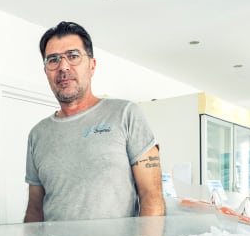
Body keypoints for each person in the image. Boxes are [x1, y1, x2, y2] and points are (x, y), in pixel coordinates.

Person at [23, 21, 165, 223]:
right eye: (53, 60)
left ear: (92, 65)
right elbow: (34, 212)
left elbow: (152, 198)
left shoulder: (125, 114)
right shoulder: (38, 134)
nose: (63, 66)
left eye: (73, 56)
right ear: (46, 70)